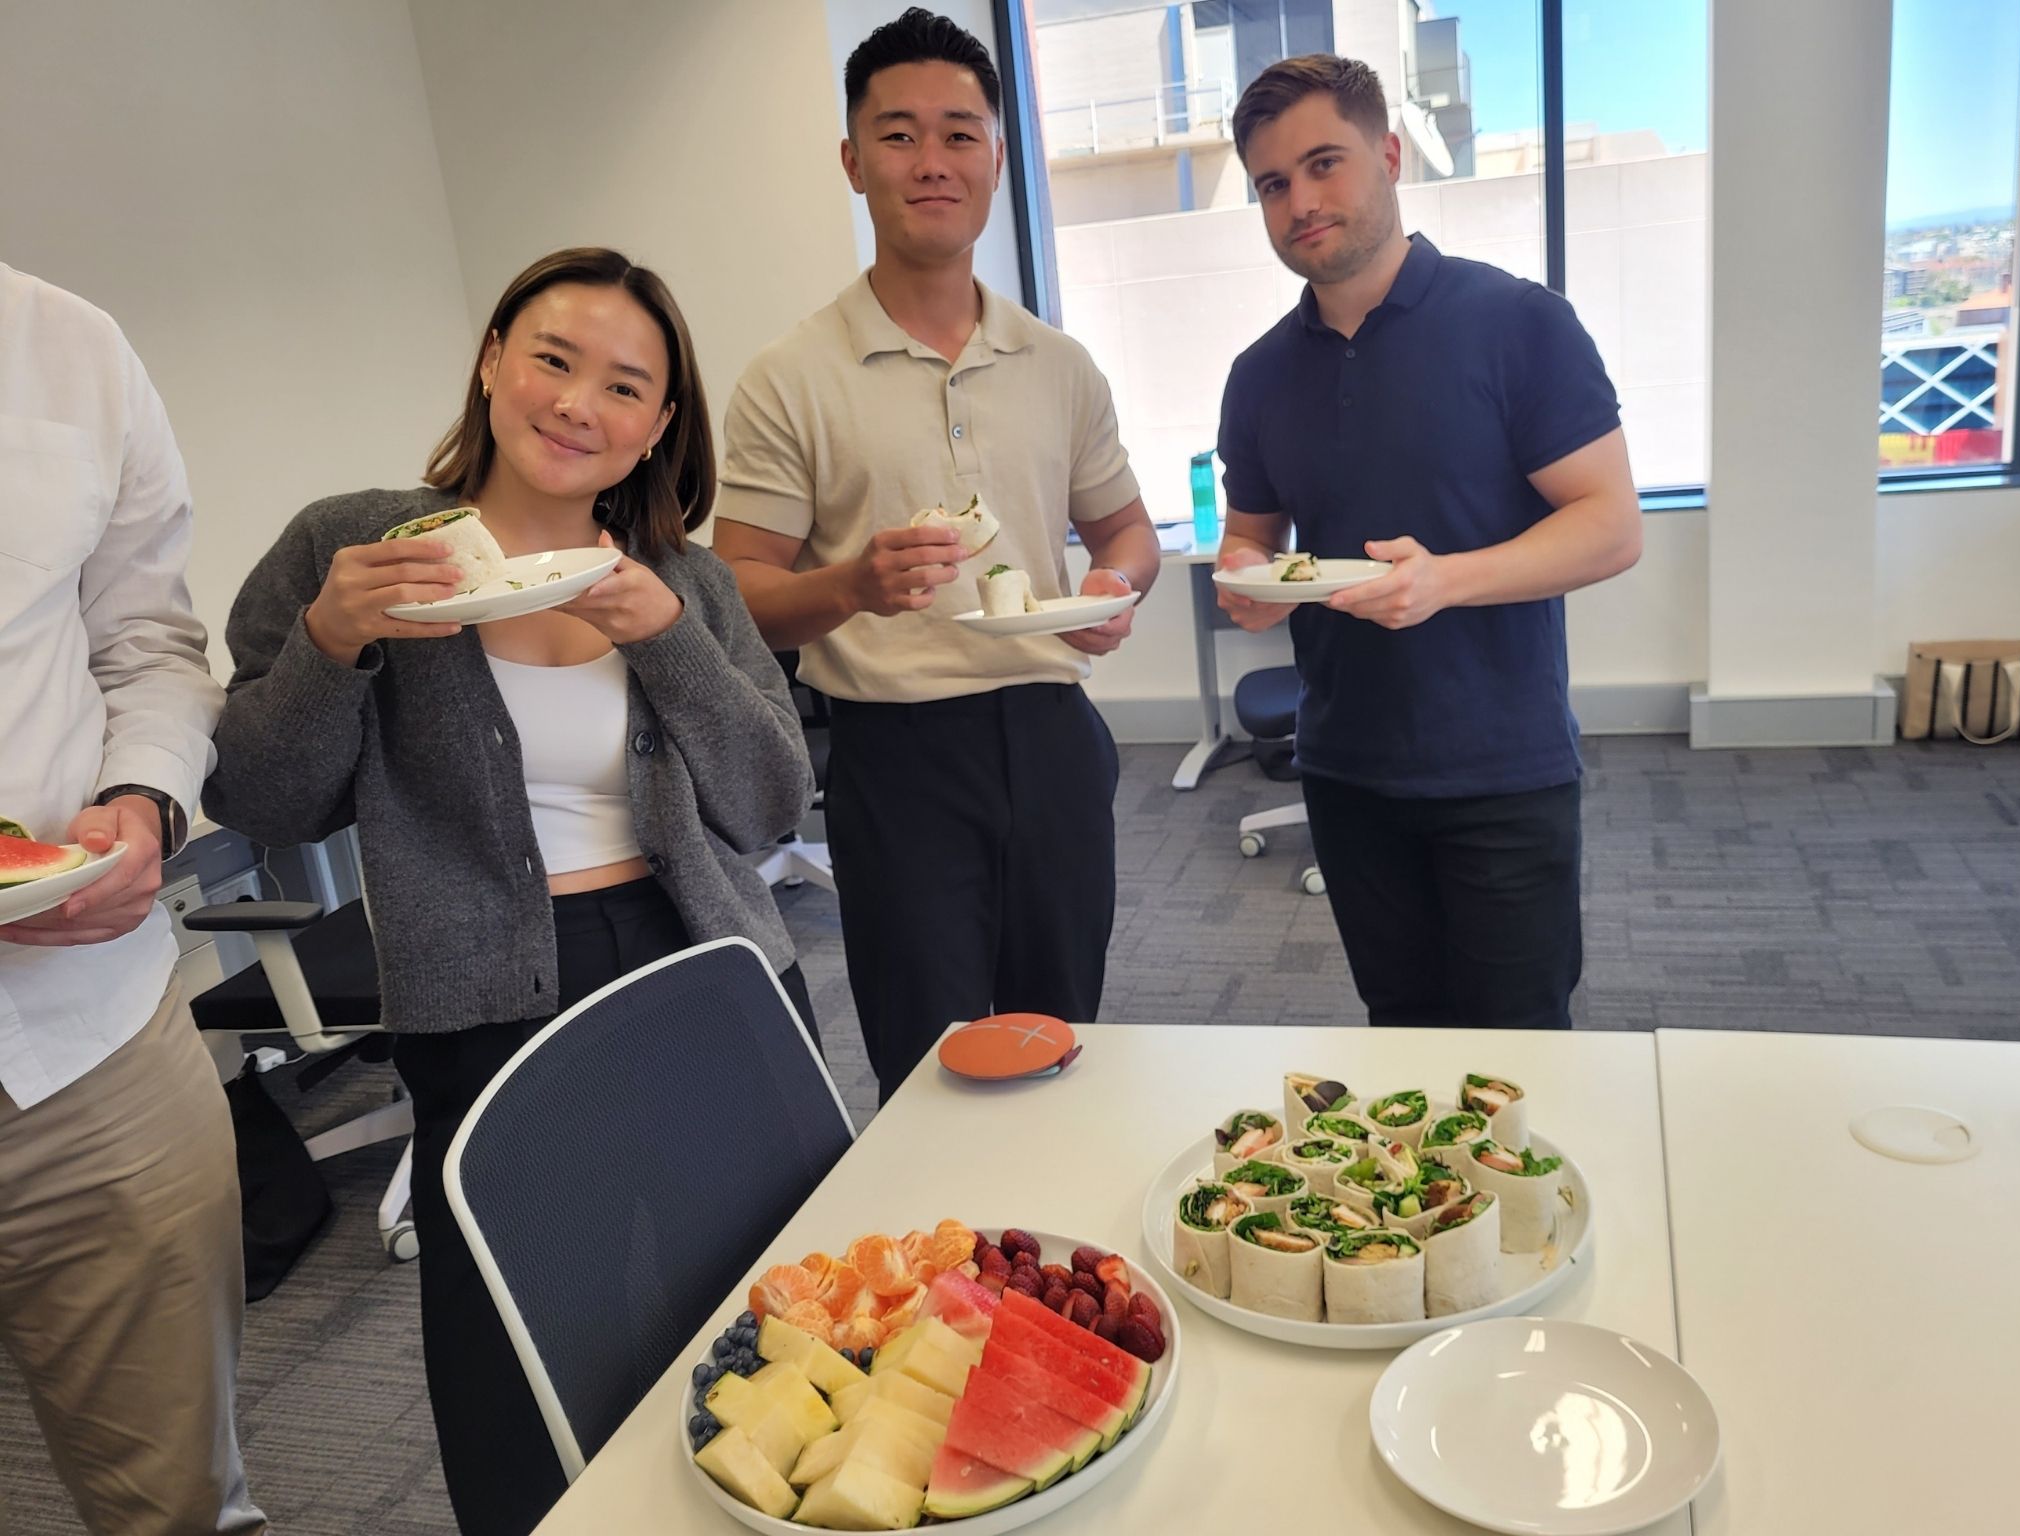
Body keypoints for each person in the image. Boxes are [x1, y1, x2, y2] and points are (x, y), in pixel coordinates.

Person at [204, 248, 816, 1534]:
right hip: (489, 991)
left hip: (703, 964)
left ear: (656, 427)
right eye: (552, 357)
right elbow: (261, 799)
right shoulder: (352, 544)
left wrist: (669, 642)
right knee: (518, 1343)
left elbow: (769, 806)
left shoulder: (685, 577)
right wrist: (330, 644)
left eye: (623, 385)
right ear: (491, 362)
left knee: (769, 1317)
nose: (577, 401)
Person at [714, 8, 1161, 1101]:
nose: (931, 162)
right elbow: (734, 595)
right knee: (934, 1064)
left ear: (996, 158)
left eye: (960, 134)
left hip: (1053, 736)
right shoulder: (791, 375)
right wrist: (852, 586)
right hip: (898, 758)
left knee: (1060, 1042)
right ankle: (944, 1259)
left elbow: (1126, 532)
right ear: (852, 160)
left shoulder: (1057, 364)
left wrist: (1114, 587)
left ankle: (1047, 1259)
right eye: (900, 134)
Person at [1213, 56, 1643, 1030]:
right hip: (1345, 769)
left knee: (1515, 1060)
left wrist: (1444, 581)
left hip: (1501, 769)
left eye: (1324, 164)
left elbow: (1609, 524)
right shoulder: (1259, 376)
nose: (1299, 201)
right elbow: (1250, 537)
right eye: (1272, 184)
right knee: (1398, 1047)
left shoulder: (1518, 324)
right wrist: (1242, 580)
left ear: (1389, 154)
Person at [0, 264, 267, 1534]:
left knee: (179, 1504)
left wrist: (146, 798)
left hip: (90, 1032)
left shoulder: (71, 346)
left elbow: (148, 641)